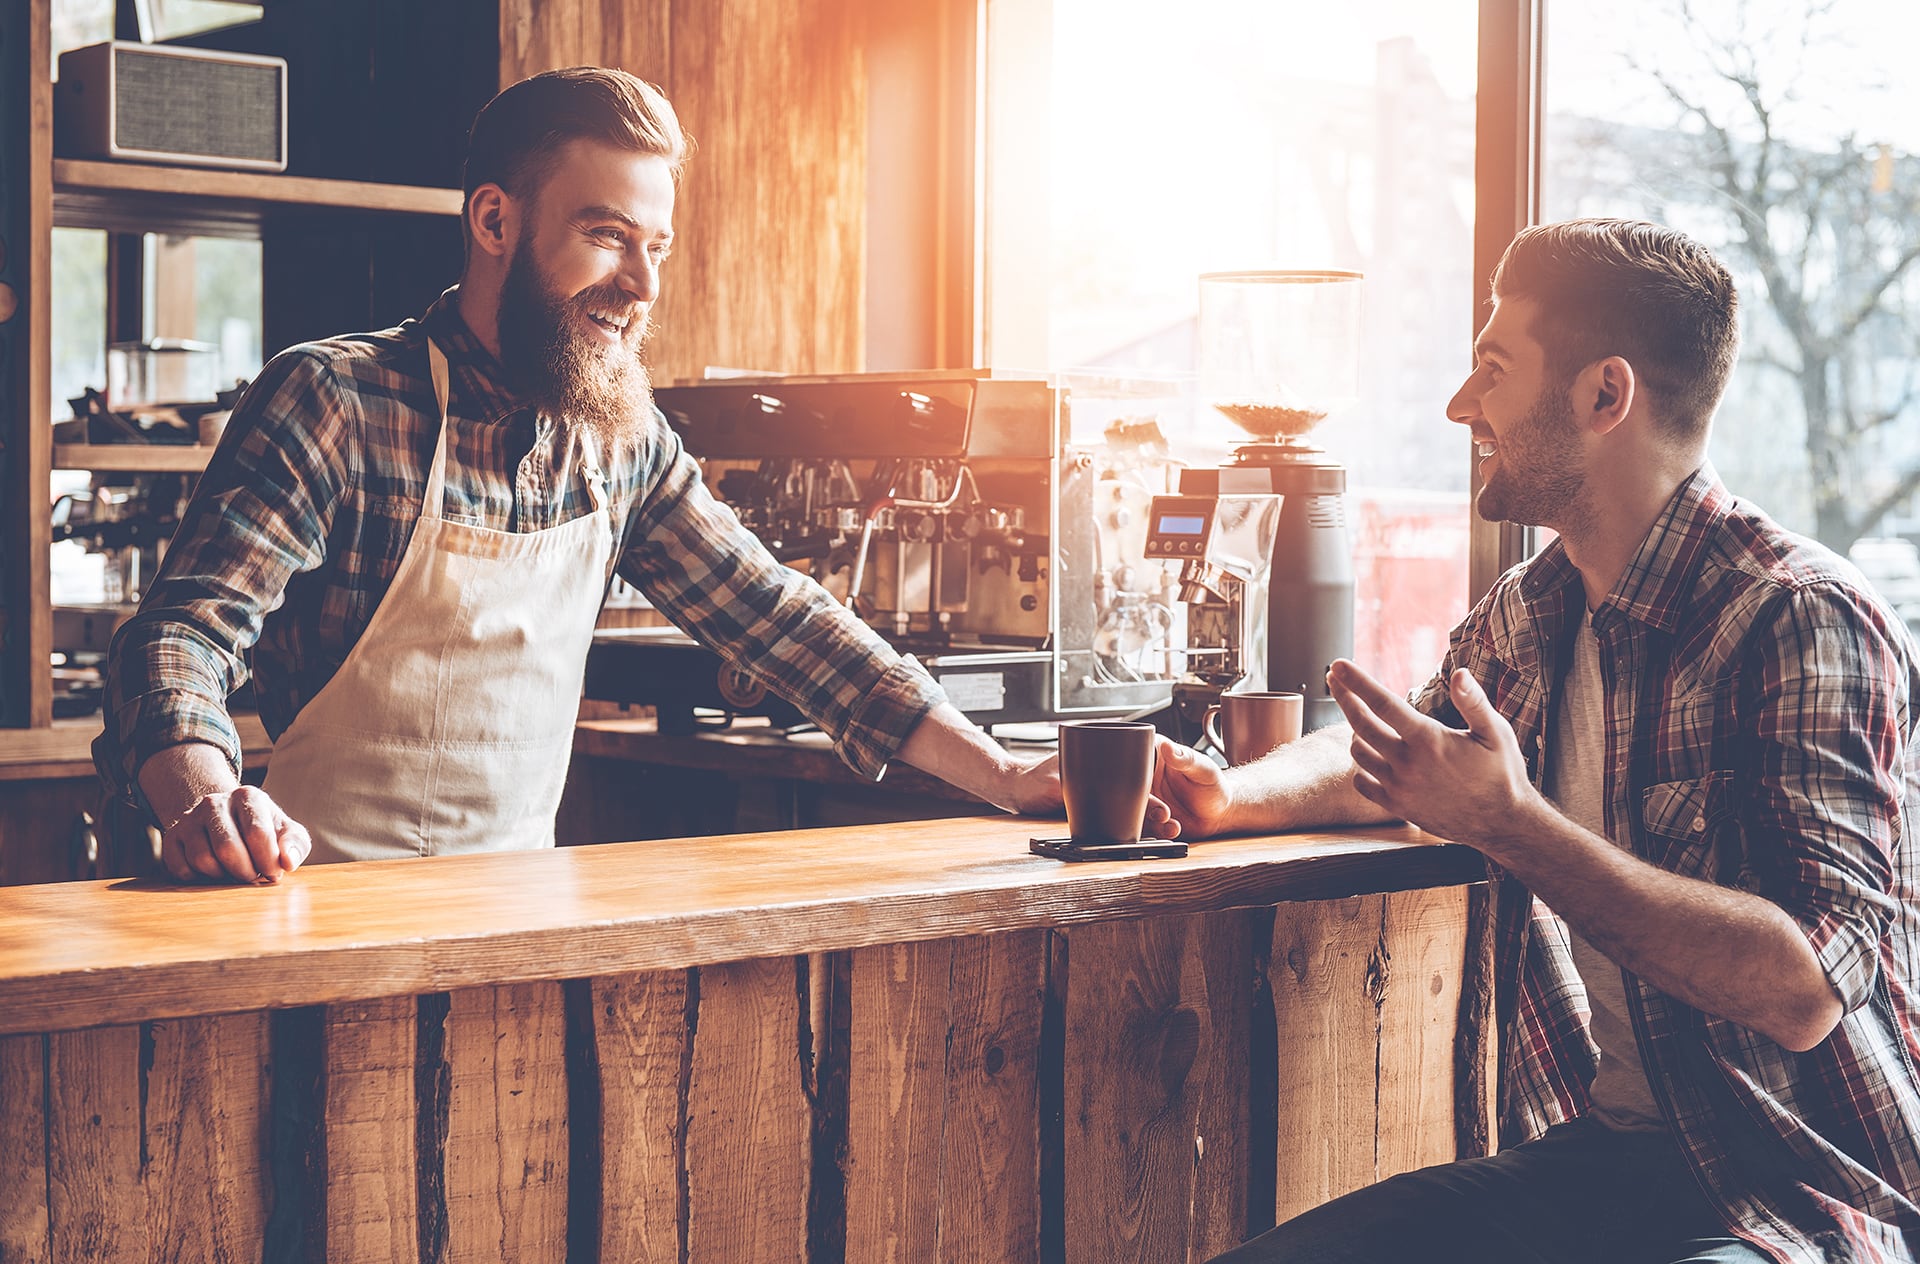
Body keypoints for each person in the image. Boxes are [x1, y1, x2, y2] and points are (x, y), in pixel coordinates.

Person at [1158, 220, 1920, 1263]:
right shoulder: (1539, 605)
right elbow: (1410, 747)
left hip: (1810, 1192)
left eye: (1492, 369)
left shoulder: (1797, 617)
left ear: (1606, 396)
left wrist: (1516, 827)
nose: (1460, 406)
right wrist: (1230, 797)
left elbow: (1803, 990)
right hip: (1619, 1163)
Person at [97, 67, 1062, 883]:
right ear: (493, 220)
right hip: (324, 912)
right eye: (606, 236)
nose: (640, 286)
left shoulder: (623, 440)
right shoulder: (338, 400)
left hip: (528, 920)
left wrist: (1007, 775)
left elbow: (776, 618)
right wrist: (210, 798)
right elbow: (182, 635)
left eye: (656, 248)